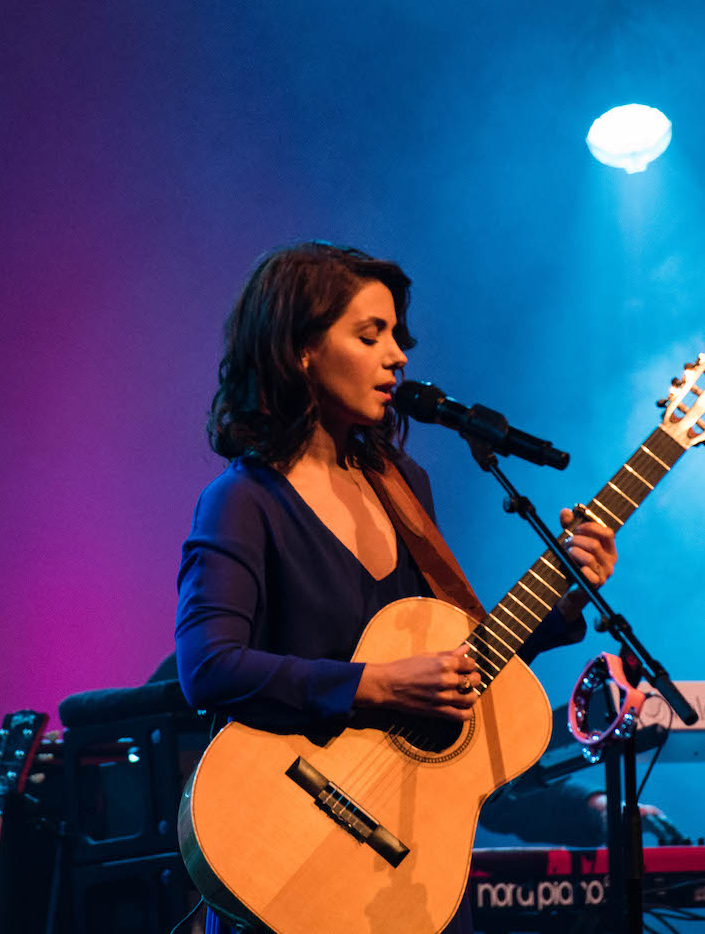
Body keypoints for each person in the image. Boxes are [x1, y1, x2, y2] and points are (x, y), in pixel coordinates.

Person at [175, 241, 618, 934]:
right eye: (369, 333)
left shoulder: (405, 488)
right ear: (300, 351)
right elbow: (207, 667)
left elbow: (452, 669)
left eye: (397, 336)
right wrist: (374, 685)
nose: (398, 355)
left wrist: (562, 603)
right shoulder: (242, 499)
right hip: (289, 844)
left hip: (406, 861)